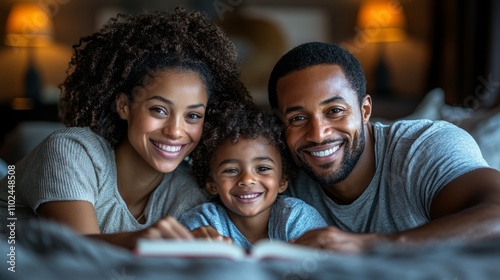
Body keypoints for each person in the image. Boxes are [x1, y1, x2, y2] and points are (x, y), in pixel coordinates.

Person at [0, 8, 251, 250]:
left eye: (193, 116)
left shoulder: (188, 193)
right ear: (124, 106)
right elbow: (75, 257)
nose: (176, 131)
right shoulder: (70, 153)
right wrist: (138, 242)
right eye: (159, 110)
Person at [267, 42, 500, 253]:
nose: (318, 134)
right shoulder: (279, 172)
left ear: (365, 110)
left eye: (335, 111)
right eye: (298, 118)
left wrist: (372, 246)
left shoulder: (423, 147)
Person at [178, 105, 327, 249]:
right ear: (212, 183)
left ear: (282, 180)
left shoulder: (297, 217)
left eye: (263, 168)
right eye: (231, 170)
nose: (247, 179)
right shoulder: (203, 223)